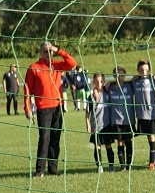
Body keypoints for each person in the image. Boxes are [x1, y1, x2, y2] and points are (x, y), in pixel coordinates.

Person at [23, 41, 77, 178]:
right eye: (45, 51)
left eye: (50, 51)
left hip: (58, 107)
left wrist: (58, 50)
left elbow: (72, 63)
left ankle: (53, 168)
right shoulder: (34, 68)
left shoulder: (57, 65)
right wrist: (27, 108)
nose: (48, 53)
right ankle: (40, 170)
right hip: (43, 108)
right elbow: (27, 89)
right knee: (44, 138)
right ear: (40, 52)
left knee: (55, 138)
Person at [104, 66, 136, 171]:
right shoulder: (110, 88)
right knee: (120, 142)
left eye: (122, 75)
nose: (119, 77)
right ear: (114, 76)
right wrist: (108, 83)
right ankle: (123, 166)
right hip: (116, 121)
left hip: (128, 120)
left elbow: (137, 78)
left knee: (128, 142)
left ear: (124, 76)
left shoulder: (129, 86)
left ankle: (129, 165)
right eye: (117, 75)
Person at [132, 60, 155, 169]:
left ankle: (151, 162)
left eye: (146, 70)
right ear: (138, 70)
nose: (144, 72)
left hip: (152, 114)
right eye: (141, 70)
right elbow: (122, 84)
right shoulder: (135, 82)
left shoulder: (153, 81)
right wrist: (110, 83)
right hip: (141, 115)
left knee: (152, 137)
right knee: (149, 138)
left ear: (149, 70)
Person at [86, 73, 115, 173]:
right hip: (96, 126)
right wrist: (88, 124)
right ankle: (100, 166)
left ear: (104, 81)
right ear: (93, 82)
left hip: (107, 125)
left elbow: (117, 82)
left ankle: (111, 166)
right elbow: (87, 112)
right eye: (97, 81)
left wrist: (109, 83)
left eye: (101, 81)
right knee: (97, 146)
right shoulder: (91, 96)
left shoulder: (108, 93)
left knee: (108, 146)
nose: (99, 83)